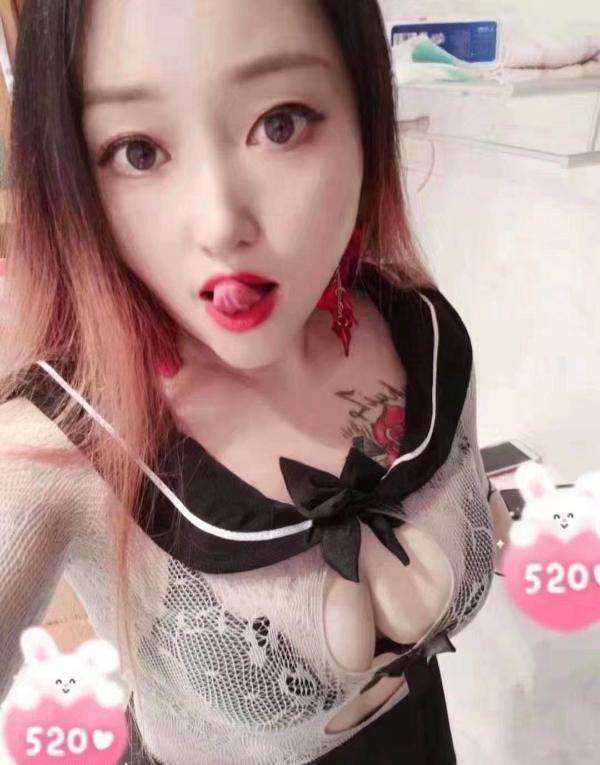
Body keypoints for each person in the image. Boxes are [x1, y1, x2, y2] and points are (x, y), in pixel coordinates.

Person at [0, 1, 498, 763]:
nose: (219, 223)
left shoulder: (419, 329)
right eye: (138, 151)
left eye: (281, 123)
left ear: (365, 113)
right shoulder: (50, 450)